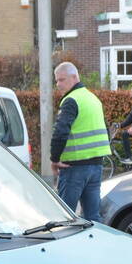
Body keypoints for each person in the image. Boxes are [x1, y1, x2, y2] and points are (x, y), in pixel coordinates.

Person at [50, 62, 111, 222]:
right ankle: (94, 246)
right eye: (56, 81)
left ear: (74, 77)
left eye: (62, 80)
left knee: (65, 218)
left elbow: (60, 131)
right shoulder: (93, 98)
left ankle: (65, 248)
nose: (58, 84)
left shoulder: (71, 100)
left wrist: (54, 159)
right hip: (96, 166)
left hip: (74, 168)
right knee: (92, 217)